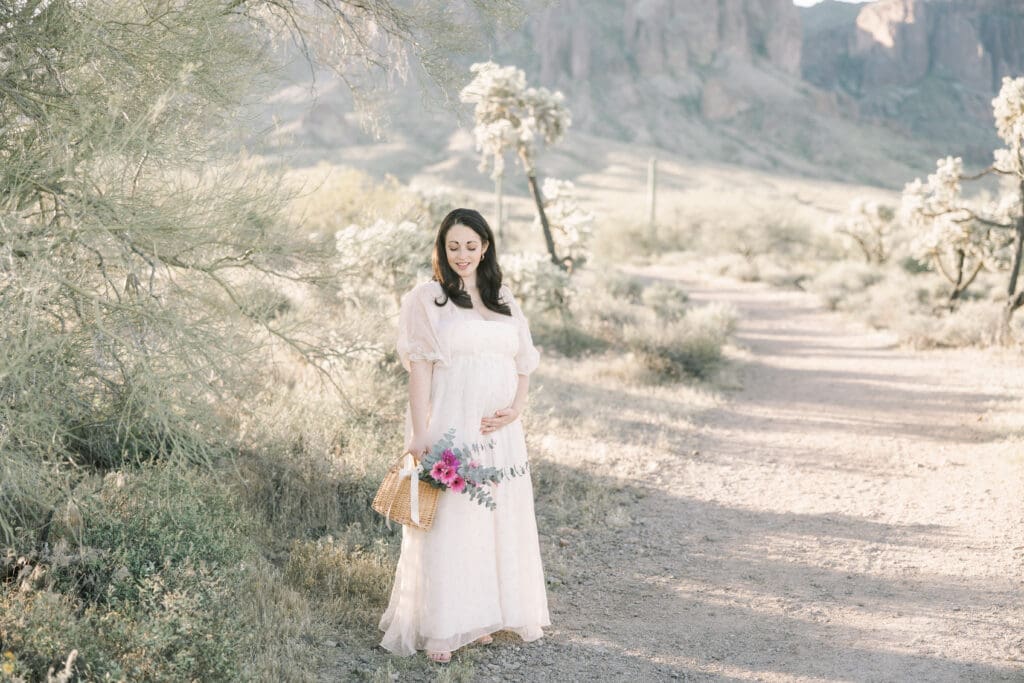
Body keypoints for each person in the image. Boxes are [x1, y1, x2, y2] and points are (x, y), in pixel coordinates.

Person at [378, 208, 550, 663]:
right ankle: (443, 627)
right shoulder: (428, 298)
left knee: (492, 520)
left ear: (485, 247)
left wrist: (516, 409)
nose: (462, 254)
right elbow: (419, 371)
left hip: (499, 432)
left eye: (471, 246)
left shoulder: (503, 298)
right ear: (441, 248)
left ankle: (479, 618)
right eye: (453, 246)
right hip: (452, 425)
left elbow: (524, 362)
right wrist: (419, 435)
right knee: (452, 521)